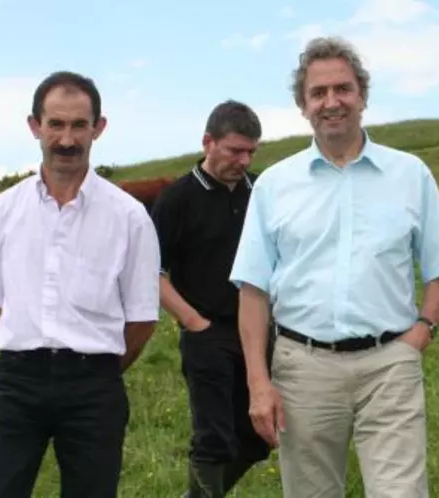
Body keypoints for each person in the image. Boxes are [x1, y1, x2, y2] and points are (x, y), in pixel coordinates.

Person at [229, 36, 439, 498]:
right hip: (303, 368)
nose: (331, 102)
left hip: (389, 364)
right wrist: (259, 382)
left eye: (343, 89)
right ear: (303, 106)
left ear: (362, 95)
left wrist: (419, 335)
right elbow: (253, 292)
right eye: (318, 93)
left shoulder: (409, 174)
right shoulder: (275, 185)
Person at [0, 71, 161, 498]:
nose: (66, 139)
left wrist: (94, 371)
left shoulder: (129, 216)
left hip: (93, 386)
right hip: (17, 379)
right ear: (34, 127)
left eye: (79, 125)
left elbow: (142, 319)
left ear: (98, 128)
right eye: (55, 124)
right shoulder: (0, 213)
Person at [150, 100, 271, 497]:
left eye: (251, 151)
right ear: (208, 142)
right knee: (214, 439)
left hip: (261, 332)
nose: (244, 159)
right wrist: (191, 321)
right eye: (235, 150)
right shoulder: (177, 199)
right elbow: (153, 272)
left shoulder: (264, 192)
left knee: (259, 436)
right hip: (207, 332)